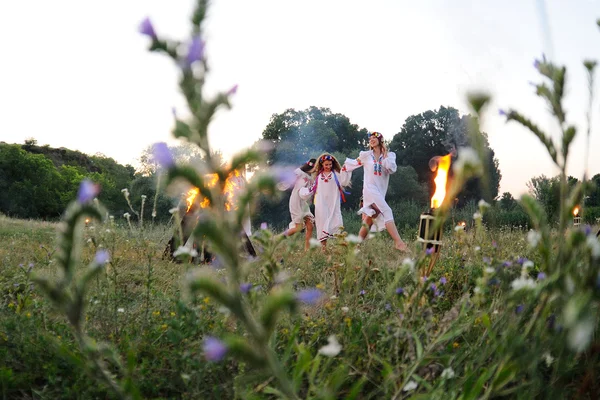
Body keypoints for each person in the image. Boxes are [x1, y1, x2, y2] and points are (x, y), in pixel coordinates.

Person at [342, 131, 408, 251]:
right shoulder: (365, 155)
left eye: (374, 138)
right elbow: (352, 164)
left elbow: (392, 169)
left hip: (380, 190)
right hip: (369, 189)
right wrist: (341, 170)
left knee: (371, 217)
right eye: (370, 138)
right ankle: (399, 243)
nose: (371, 140)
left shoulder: (389, 155)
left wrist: (385, 156)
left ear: (380, 140)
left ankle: (356, 246)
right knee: (387, 211)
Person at [300, 153, 351, 249]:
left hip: (333, 204)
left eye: (330, 164)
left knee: (336, 223)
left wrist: (346, 170)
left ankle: (339, 248)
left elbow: (344, 182)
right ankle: (323, 249)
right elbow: (312, 190)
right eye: (326, 164)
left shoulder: (336, 174)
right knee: (321, 224)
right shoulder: (318, 177)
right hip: (321, 204)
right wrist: (302, 192)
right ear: (322, 164)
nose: (328, 166)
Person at [283, 158, 316, 250]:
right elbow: (289, 179)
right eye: (316, 167)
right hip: (296, 200)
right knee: (298, 227)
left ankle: (307, 249)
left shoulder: (313, 178)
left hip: (304, 203)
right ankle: (276, 239)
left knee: (310, 225)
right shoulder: (300, 172)